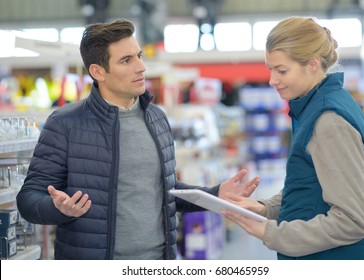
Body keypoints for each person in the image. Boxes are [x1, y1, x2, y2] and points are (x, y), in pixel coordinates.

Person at [16, 18, 259, 260]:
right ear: (98, 71)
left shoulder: (157, 119)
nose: (141, 67)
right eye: (126, 60)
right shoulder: (65, 123)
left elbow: (166, 190)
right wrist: (57, 208)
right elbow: (28, 199)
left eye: (139, 56)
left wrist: (215, 195)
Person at [222, 16, 364, 260]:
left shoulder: (329, 119)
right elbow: (313, 187)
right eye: (270, 69)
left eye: (282, 70)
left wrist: (271, 232)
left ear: (313, 64)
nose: (272, 80)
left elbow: (353, 221)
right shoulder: (314, 107)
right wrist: (267, 208)